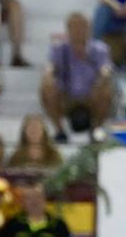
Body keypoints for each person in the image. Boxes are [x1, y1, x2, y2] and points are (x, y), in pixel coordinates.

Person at [41, 12, 112, 142]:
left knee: (106, 89)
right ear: (68, 29)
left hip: (91, 95)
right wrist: (48, 76)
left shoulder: (100, 49)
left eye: (82, 26)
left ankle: (96, 131)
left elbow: (106, 69)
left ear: (89, 29)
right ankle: (60, 132)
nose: (78, 31)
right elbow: (50, 67)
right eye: (74, 27)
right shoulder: (59, 48)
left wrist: (102, 79)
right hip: (66, 96)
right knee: (47, 87)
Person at [0, 181, 73, 237]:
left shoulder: (58, 225)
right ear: (22, 202)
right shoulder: (12, 225)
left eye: (37, 197)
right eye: (29, 198)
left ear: (45, 200)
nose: (34, 202)